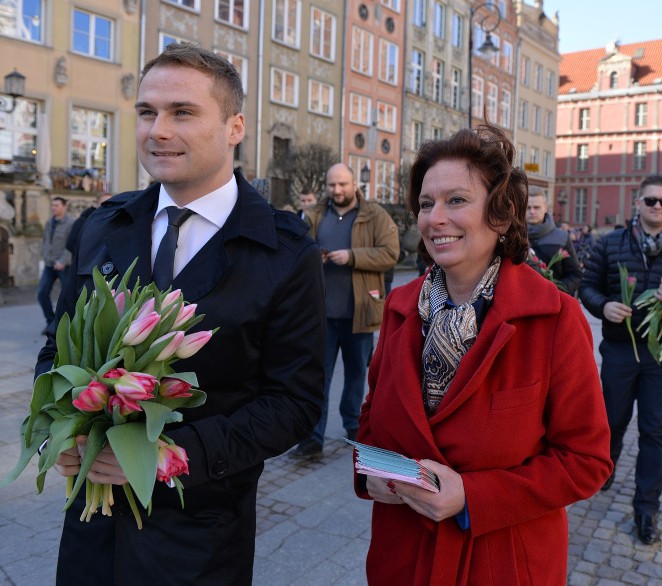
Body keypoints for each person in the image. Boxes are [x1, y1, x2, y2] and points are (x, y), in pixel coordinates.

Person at [38, 43, 325, 585]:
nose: (157, 130)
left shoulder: (285, 252)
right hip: (92, 530)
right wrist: (64, 427)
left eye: (183, 112)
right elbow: (57, 348)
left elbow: (294, 403)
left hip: (200, 532)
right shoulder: (105, 227)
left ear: (235, 127)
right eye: (147, 112)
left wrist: (168, 454)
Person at [354, 124, 612, 583]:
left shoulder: (553, 318)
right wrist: (368, 474)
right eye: (427, 203)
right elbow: (373, 415)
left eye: (456, 200)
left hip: (498, 561)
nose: (435, 218)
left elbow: (586, 461)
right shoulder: (399, 308)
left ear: (501, 214)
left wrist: (473, 496)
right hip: (403, 555)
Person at [579, 174, 662, 545]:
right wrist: (604, 306)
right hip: (619, 350)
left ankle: (646, 508)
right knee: (612, 421)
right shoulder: (611, 244)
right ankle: (606, 467)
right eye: (650, 200)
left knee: (654, 430)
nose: (657, 207)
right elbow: (588, 285)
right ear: (637, 203)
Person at [290, 163, 399, 459]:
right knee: (318, 378)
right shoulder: (314, 214)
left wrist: (352, 256)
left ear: (354, 185)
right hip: (321, 315)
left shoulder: (374, 214)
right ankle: (313, 440)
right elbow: (295, 251)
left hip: (359, 312)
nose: (337, 190)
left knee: (355, 377)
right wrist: (314, 256)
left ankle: (354, 429)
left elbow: (391, 253)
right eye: (332, 185)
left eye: (342, 184)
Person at [526, 187, 583, 295]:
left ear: (545, 208)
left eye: (536, 207)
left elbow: (575, 274)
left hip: (553, 301)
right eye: (528, 207)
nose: (532, 211)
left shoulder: (562, 237)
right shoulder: (511, 236)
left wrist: (557, 292)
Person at [37, 196, 74, 334]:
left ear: (64, 206)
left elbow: (71, 244)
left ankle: (65, 325)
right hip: (49, 264)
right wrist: (45, 255)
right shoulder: (49, 222)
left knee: (66, 296)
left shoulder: (70, 223)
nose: (53, 207)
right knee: (42, 293)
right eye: (52, 205)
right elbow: (46, 241)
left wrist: (62, 261)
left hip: (63, 265)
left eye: (56, 205)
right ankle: (51, 322)